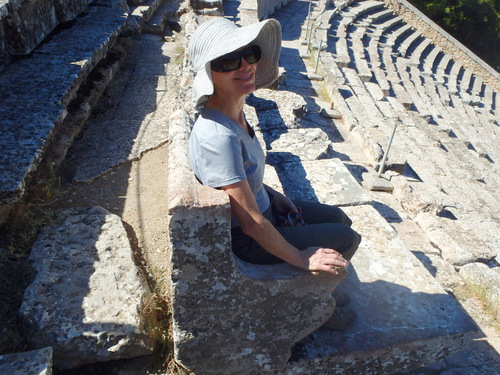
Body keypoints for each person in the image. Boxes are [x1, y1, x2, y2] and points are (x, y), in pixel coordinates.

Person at [187, 17, 361, 329]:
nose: (245, 66)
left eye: (250, 54)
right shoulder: (218, 136)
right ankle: (311, 307)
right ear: (209, 72)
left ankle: (322, 289)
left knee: (337, 218)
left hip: (263, 212)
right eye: (228, 61)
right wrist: (301, 257)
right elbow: (251, 223)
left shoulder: (235, 113)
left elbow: (244, 177)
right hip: (247, 240)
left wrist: (273, 195)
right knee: (345, 238)